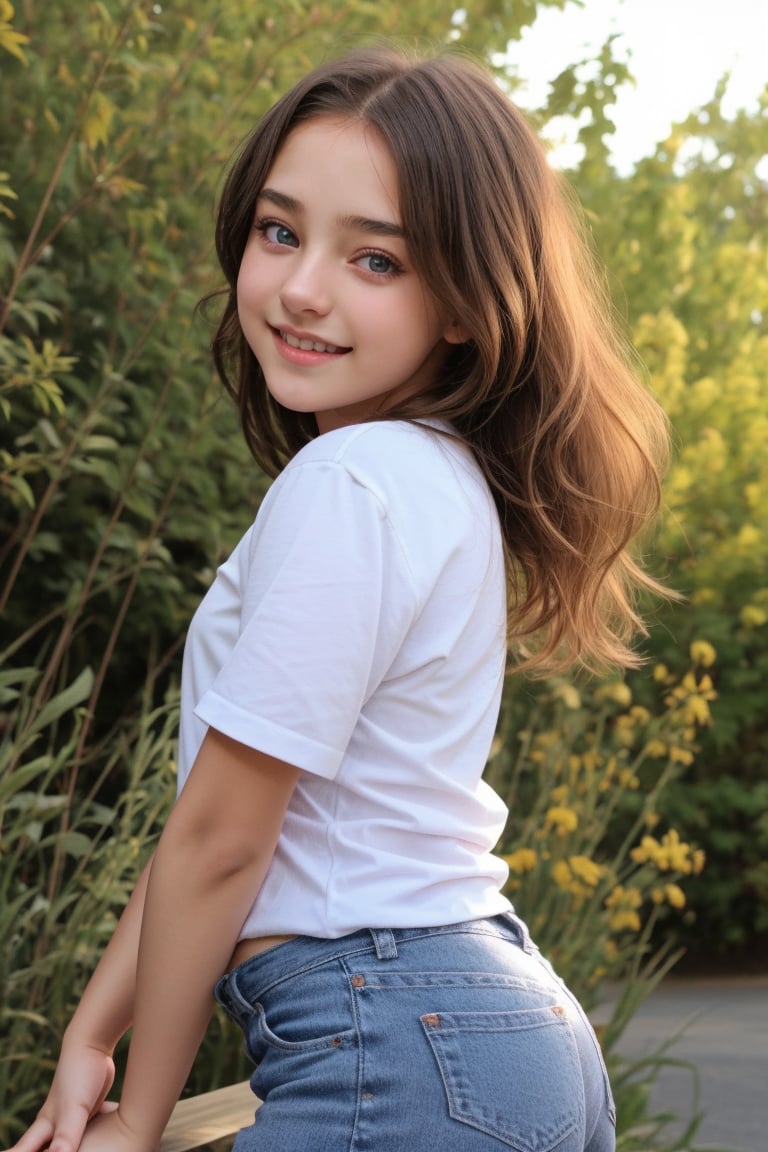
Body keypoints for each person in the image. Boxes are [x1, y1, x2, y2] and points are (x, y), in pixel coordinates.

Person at [12, 45, 671, 1152]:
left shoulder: (350, 482)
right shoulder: (440, 476)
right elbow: (208, 828)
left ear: (467, 298)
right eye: (281, 232)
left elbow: (226, 842)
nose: (304, 287)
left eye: (375, 259)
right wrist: (96, 1030)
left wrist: (140, 1116)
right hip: (505, 1024)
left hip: (397, 1043)